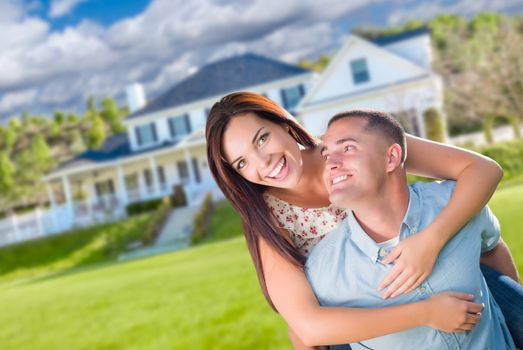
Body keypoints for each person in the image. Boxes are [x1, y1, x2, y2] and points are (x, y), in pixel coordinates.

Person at [205, 92, 522, 348]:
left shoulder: (352, 145)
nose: (263, 162)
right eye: (242, 162)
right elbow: (308, 326)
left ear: (284, 125)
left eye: (262, 139)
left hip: (443, 274)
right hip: (367, 317)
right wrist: (425, 313)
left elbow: (482, 170)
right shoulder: (268, 220)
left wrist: (432, 239)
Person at [305, 110, 515, 349]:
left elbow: (492, 249)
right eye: (326, 155)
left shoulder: (456, 202)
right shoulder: (323, 271)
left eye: (348, 148)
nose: (331, 163)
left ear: (391, 157)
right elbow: (308, 335)